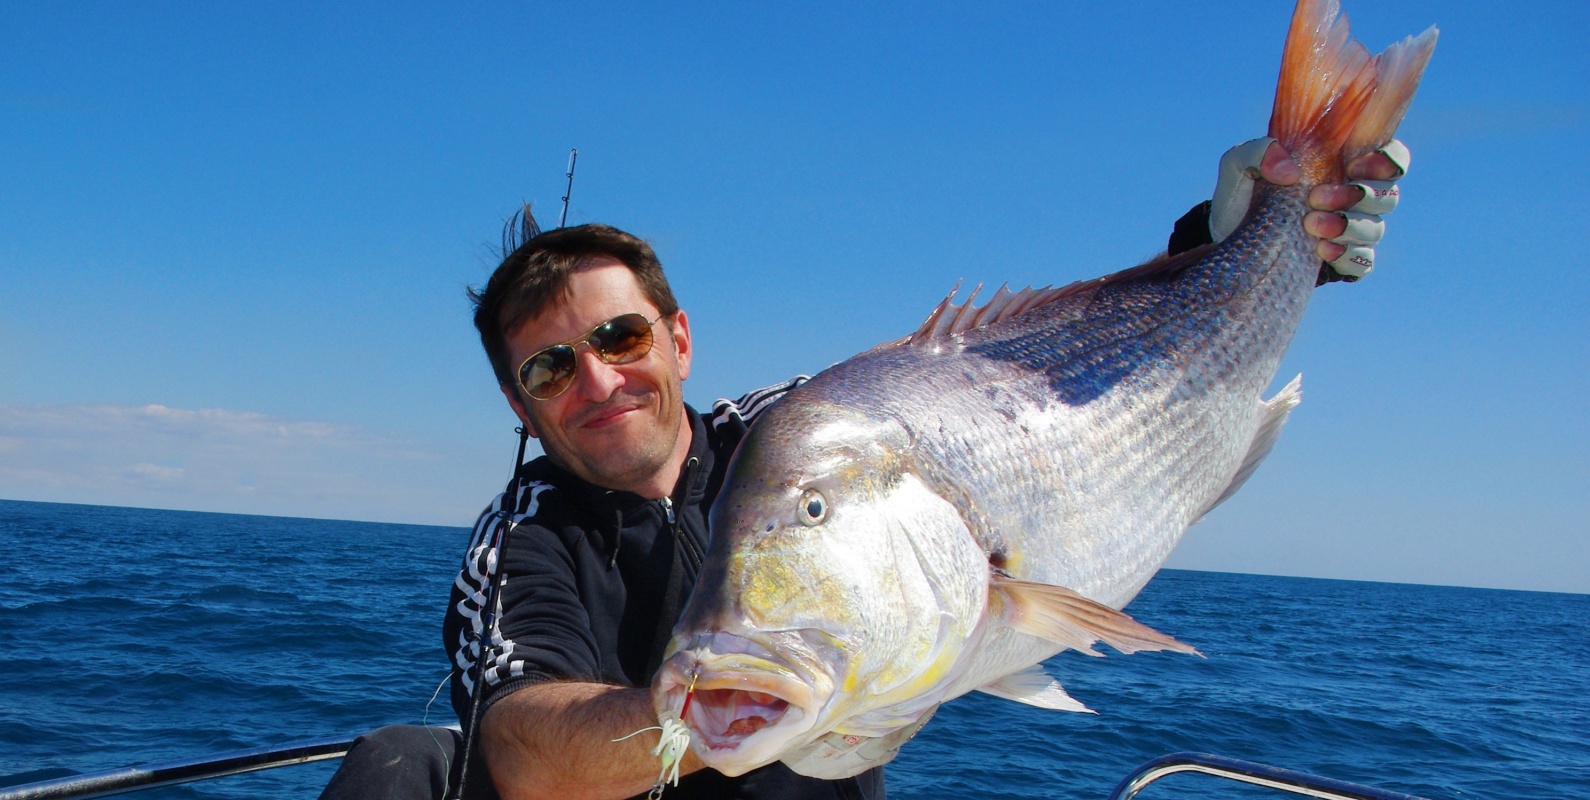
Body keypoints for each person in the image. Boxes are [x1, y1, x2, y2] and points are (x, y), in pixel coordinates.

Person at [316, 137, 1407, 800]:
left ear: (678, 338)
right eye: (550, 364)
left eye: (620, 338)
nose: (598, 380)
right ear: (518, 402)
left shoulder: (803, 427)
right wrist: (703, 710)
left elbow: (1042, 385)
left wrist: (1234, 239)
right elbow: (525, 754)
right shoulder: (523, 540)